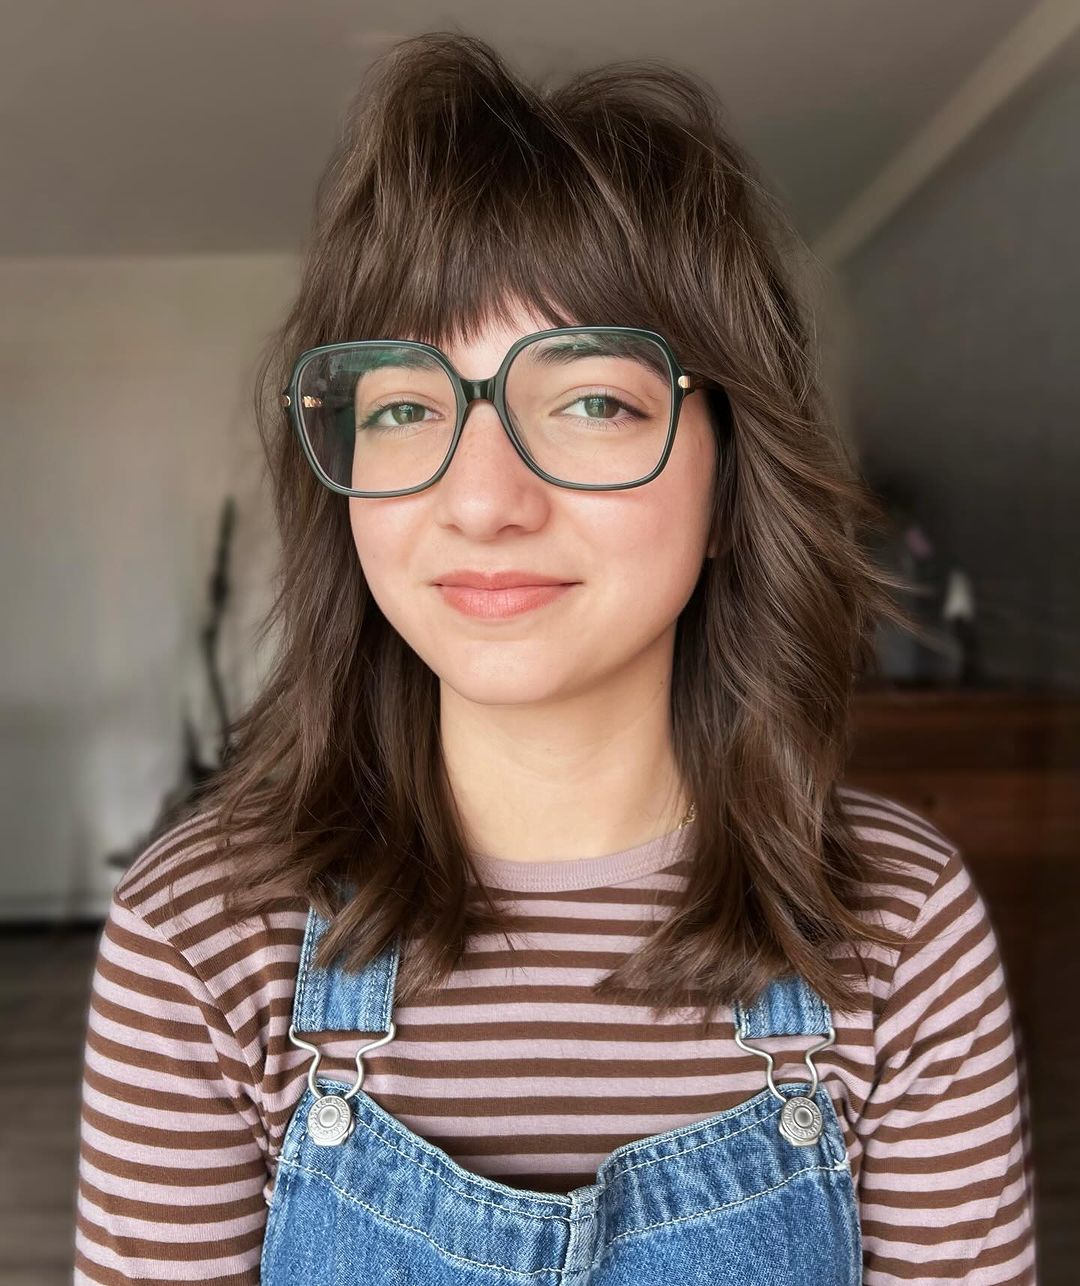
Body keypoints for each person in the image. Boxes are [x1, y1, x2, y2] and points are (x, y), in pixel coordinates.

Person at [74, 30, 1035, 1285]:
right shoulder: (201, 940)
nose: (483, 501)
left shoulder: (900, 930)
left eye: (591, 401)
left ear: (735, 461)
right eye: (409, 405)